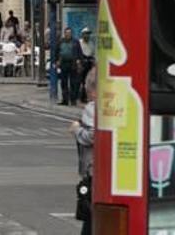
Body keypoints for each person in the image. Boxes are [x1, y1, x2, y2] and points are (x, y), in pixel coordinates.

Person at [70, 70, 96, 235]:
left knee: (90, 217)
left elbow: (93, 136)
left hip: (93, 169)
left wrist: (77, 130)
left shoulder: (93, 108)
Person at [55, 27, 83, 105]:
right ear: (64, 34)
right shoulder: (61, 42)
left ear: (71, 34)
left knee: (73, 83)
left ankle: (73, 100)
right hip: (63, 64)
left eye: (69, 33)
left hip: (72, 64)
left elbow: (79, 52)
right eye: (67, 33)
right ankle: (65, 100)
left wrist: (79, 62)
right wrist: (56, 61)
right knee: (64, 83)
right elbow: (57, 52)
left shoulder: (75, 42)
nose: (68, 34)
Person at [79, 28, 95, 102]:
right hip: (82, 62)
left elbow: (92, 53)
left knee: (88, 81)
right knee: (81, 80)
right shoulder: (80, 43)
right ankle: (80, 96)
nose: (87, 35)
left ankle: (85, 96)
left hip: (89, 62)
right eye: (86, 34)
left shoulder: (91, 43)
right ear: (82, 35)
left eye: (88, 34)